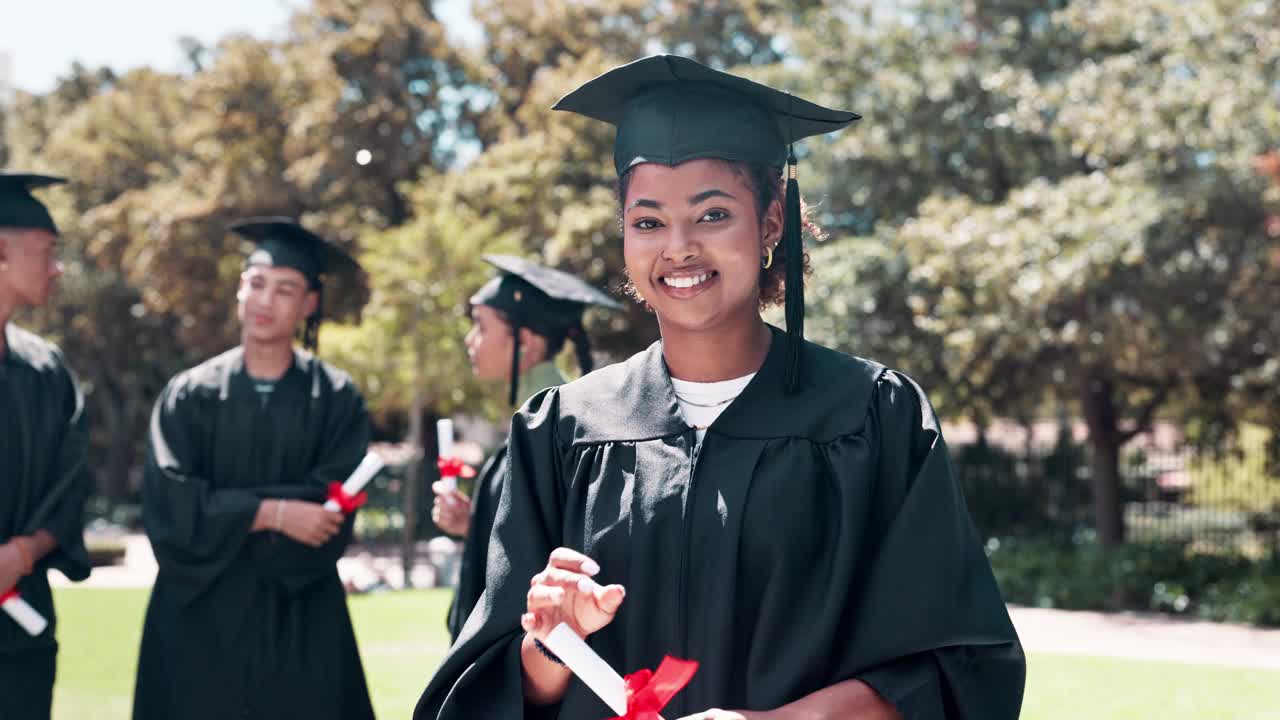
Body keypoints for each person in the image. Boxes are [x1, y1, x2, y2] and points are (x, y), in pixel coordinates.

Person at [415, 55, 1025, 720]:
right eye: (647, 221)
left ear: (770, 224)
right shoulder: (560, 429)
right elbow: (484, 686)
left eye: (712, 215)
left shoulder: (875, 415)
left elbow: (953, 666)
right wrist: (549, 647)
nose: (677, 247)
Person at [132, 218, 376, 720]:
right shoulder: (190, 395)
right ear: (240, 290)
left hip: (299, 618)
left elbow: (327, 517)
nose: (265, 300)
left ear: (309, 303)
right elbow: (171, 509)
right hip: (199, 623)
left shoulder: (334, 399)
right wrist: (276, 511)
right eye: (256, 283)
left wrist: (222, 506)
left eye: (284, 289)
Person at [434, 255, 621, 643]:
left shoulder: (561, 428)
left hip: (544, 646)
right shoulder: (541, 419)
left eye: (481, 327)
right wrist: (474, 524)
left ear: (526, 344)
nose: (470, 341)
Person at [0, 173, 91, 720]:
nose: (57, 269)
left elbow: (71, 481)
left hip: (18, 631)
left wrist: (22, 554)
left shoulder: (45, 369)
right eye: (48, 252)